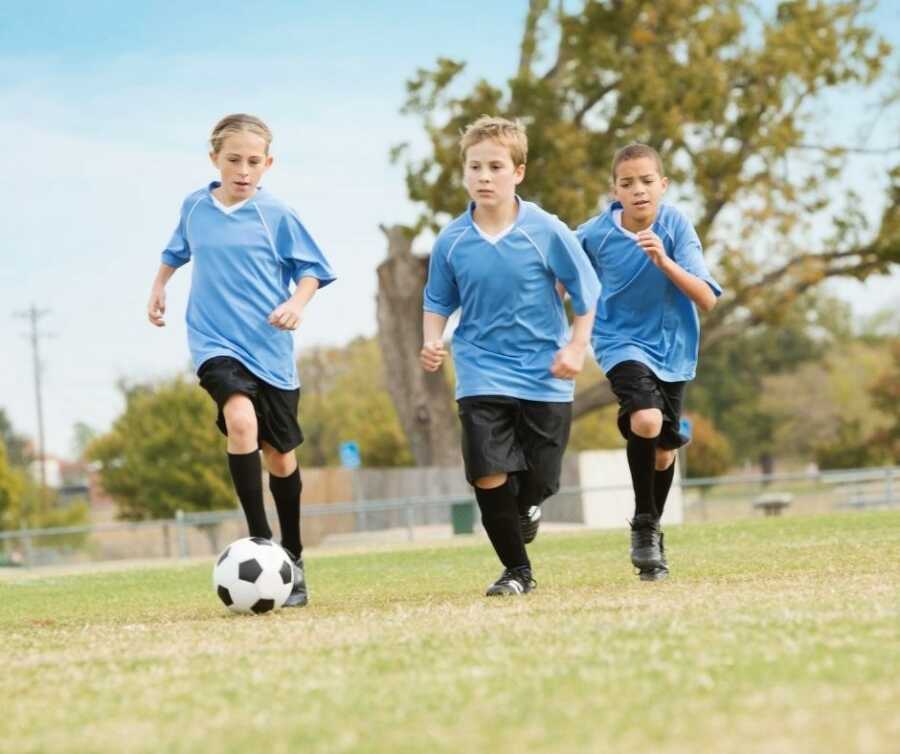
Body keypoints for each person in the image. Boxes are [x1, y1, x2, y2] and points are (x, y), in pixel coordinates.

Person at [147, 113, 336, 606]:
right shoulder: (195, 207)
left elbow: (313, 271)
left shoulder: (276, 215)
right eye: (234, 159)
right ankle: (261, 542)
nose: (243, 169)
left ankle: (292, 555)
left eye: (254, 161)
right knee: (240, 422)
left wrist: (297, 303)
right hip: (214, 342)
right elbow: (176, 250)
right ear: (215, 159)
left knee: (279, 456)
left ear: (268, 163)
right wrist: (159, 287)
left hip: (269, 350)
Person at [421, 116, 600, 596]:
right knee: (486, 470)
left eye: (495, 167)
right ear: (463, 173)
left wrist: (576, 347)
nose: (483, 176)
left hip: (545, 373)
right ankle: (517, 571)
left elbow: (586, 295)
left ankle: (528, 506)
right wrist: (432, 339)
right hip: (480, 369)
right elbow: (438, 301)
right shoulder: (452, 240)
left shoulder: (547, 231)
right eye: (474, 167)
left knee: (540, 479)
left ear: (517, 172)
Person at [577, 143, 721, 581]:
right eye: (626, 183)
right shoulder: (594, 234)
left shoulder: (676, 225)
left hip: (673, 348)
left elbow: (707, 298)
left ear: (663, 184)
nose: (637, 190)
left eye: (645, 181)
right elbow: (559, 270)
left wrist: (663, 260)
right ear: (615, 190)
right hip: (618, 341)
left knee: (662, 454)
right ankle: (644, 524)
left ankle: (651, 540)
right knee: (646, 419)